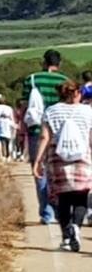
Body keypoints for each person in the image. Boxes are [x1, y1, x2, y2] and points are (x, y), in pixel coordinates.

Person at [32, 80, 92, 251]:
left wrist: (38, 160)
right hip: (82, 157)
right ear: (77, 93)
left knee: (63, 198)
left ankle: (66, 236)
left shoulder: (50, 111)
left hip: (58, 158)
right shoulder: (87, 111)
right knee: (81, 197)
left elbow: (44, 137)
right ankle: (76, 227)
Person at [23, 50, 68, 224]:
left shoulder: (32, 79)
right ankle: (61, 207)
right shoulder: (65, 81)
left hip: (37, 130)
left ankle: (46, 212)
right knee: (58, 170)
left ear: (43, 62)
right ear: (59, 63)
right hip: (61, 131)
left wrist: (22, 130)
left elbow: (24, 106)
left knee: (39, 169)